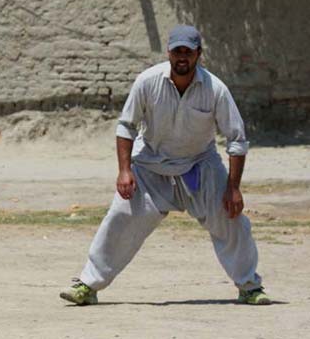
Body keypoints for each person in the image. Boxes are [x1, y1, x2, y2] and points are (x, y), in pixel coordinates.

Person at [60, 25, 271, 307]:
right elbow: (126, 126)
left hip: (200, 166)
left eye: (188, 52)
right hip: (150, 166)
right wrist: (124, 171)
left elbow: (236, 139)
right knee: (120, 218)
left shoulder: (216, 89)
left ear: (198, 54)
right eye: (177, 51)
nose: (182, 57)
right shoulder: (148, 81)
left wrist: (233, 188)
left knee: (231, 219)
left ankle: (250, 287)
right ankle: (88, 285)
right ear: (168, 53)